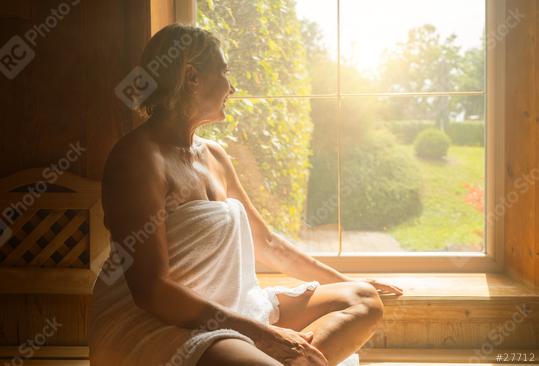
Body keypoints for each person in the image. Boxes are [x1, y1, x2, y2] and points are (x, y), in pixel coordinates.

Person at [89, 23, 403, 366]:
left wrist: (346, 281)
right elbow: (152, 290)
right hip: (158, 324)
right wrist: (262, 334)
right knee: (294, 355)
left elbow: (267, 244)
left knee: (364, 299)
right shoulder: (137, 159)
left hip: (232, 306)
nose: (232, 87)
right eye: (224, 72)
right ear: (191, 77)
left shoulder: (215, 156)